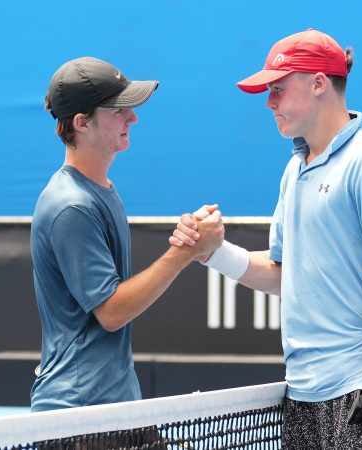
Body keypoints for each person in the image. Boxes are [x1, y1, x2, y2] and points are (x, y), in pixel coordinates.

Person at [171, 29, 362, 449]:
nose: (269, 102)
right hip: (301, 393)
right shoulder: (294, 171)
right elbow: (281, 272)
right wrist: (212, 253)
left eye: (278, 89)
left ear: (319, 82)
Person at [30, 57, 223, 412]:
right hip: (81, 415)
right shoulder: (73, 206)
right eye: (119, 110)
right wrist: (184, 250)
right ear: (82, 122)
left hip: (110, 407)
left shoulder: (100, 189)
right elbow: (112, 312)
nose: (133, 117)